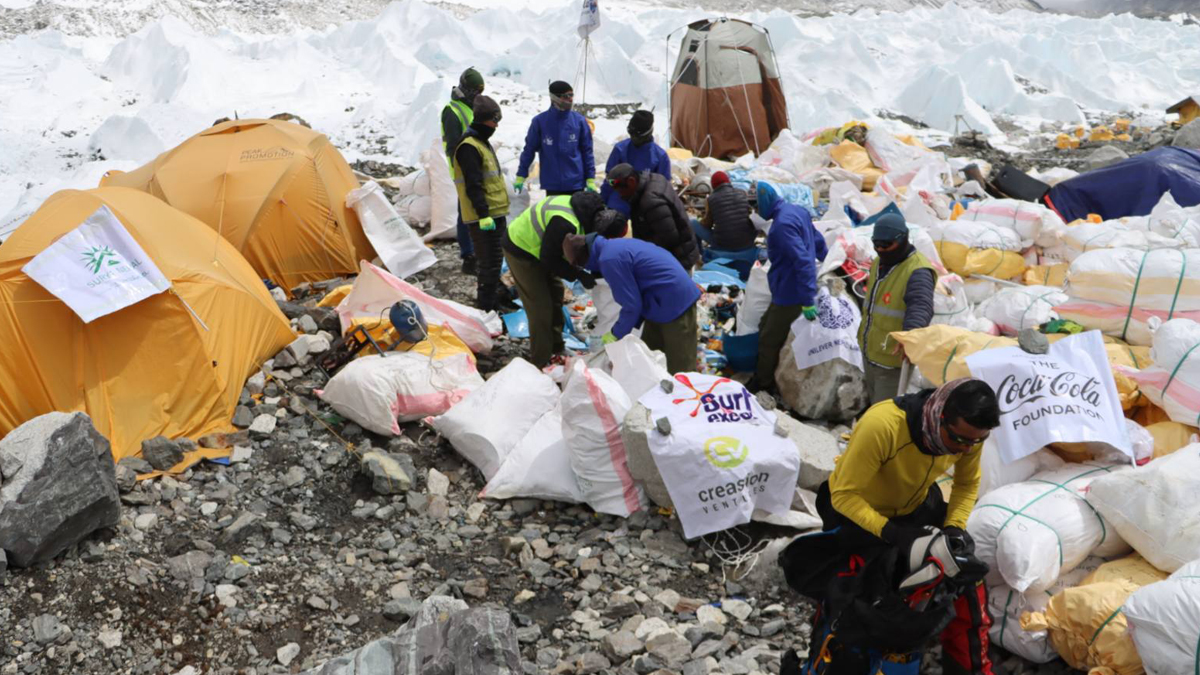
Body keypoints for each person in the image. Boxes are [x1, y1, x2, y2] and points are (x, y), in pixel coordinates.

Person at [786, 378, 1001, 675]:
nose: (965, 450)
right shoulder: (883, 425)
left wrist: (954, 528)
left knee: (962, 578)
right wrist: (893, 534)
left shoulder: (968, 435)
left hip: (914, 506)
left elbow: (966, 484)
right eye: (959, 440)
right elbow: (845, 496)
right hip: (856, 514)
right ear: (940, 415)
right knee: (858, 596)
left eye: (976, 441)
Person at [503, 192, 612, 368]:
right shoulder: (565, 222)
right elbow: (549, 258)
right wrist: (578, 274)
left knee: (556, 295)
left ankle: (557, 346)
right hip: (521, 249)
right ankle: (540, 362)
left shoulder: (583, 212)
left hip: (541, 247)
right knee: (540, 307)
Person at [565, 232, 700, 374]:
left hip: (674, 301)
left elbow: (631, 305)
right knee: (650, 357)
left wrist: (616, 334)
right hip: (658, 301)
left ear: (584, 259)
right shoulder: (611, 247)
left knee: (680, 367)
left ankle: (684, 394)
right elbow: (635, 295)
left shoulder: (609, 259)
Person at [753, 181, 827, 391]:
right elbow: (817, 240)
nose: (758, 211)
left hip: (790, 292)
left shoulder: (781, 227)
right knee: (764, 326)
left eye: (758, 206)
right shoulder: (796, 211)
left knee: (768, 340)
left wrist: (807, 300)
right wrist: (830, 260)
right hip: (790, 288)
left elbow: (803, 261)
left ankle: (764, 385)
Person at [858, 212, 936, 405]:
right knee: (871, 403)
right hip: (870, 350)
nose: (880, 249)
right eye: (876, 244)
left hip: (891, 361)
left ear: (903, 239)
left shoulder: (918, 271)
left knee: (882, 411)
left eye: (886, 245)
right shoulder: (878, 262)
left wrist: (909, 336)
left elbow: (920, 306)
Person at [453, 95, 510, 312]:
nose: (496, 126)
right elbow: (473, 184)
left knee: (495, 262)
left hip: (494, 213)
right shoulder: (469, 146)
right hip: (484, 217)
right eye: (495, 120)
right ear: (484, 119)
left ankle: (493, 303)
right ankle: (487, 309)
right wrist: (483, 213)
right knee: (488, 263)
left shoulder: (480, 142)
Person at [606, 163, 701, 271]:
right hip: (679, 254)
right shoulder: (654, 179)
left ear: (631, 181)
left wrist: (637, 249)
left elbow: (668, 238)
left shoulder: (651, 202)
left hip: (678, 261)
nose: (620, 195)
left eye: (620, 191)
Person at [515, 81, 597, 197]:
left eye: (571, 95)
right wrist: (521, 175)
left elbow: (587, 151)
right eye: (565, 96)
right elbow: (529, 149)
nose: (570, 99)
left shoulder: (579, 121)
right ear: (554, 98)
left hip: (576, 184)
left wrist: (590, 178)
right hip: (552, 185)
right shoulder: (540, 122)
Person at [442, 67, 485, 274]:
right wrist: (465, 165)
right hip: (463, 169)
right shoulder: (452, 111)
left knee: (475, 209)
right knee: (465, 212)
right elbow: (453, 146)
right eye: (475, 92)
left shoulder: (470, 107)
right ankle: (468, 256)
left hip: (477, 167)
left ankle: (477, 251)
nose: (478, 96)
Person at [600, 110, 671, 216]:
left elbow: (663, 189)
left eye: (637, 136)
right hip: (618, 209)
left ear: (649, 133)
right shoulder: (620, 149)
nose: (633, 139)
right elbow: (609, 181)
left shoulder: (660, 157)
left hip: (645, 211)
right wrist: (602, 201)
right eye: (631, 134)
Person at [691, 171, 756, 253]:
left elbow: (707, 224)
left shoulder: (711, 199)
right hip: (747, 243)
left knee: (692, 222)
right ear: (728, 181)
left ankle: (700, 253)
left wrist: (702, 220)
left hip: (724, 245)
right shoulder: (742, 193)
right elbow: (750, 215)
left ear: (713, 185)